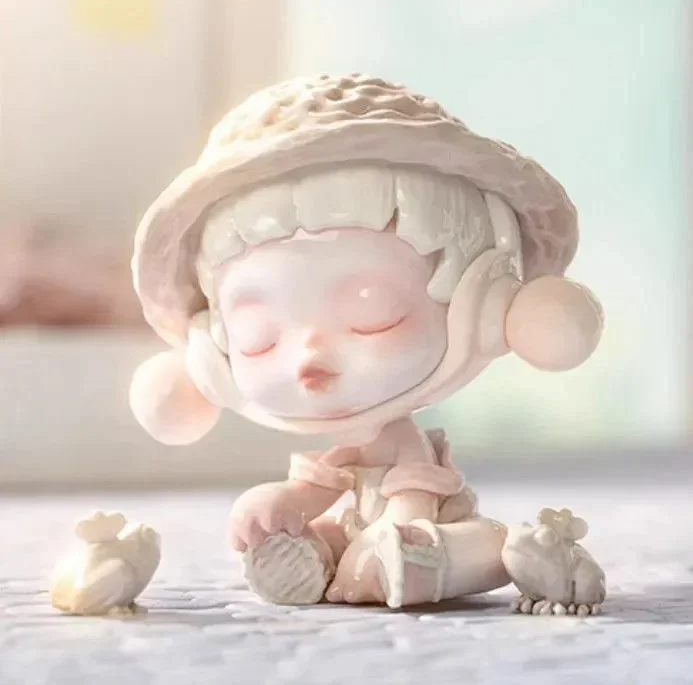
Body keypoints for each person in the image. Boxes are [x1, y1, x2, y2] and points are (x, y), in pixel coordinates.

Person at [129, 74, 604, 608]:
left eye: (372, 314)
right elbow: (321, 486)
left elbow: (413, 495)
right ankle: (314, 558)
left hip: (423, 520)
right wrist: (281, 503)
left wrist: (399, 528)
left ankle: (446, 559)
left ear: (485, 308)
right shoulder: (349, 444)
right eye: (257, 337)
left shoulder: (402, 443)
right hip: (362, 522)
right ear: (212, 352)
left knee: (483, 543)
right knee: (330, 533)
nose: (308, 358)